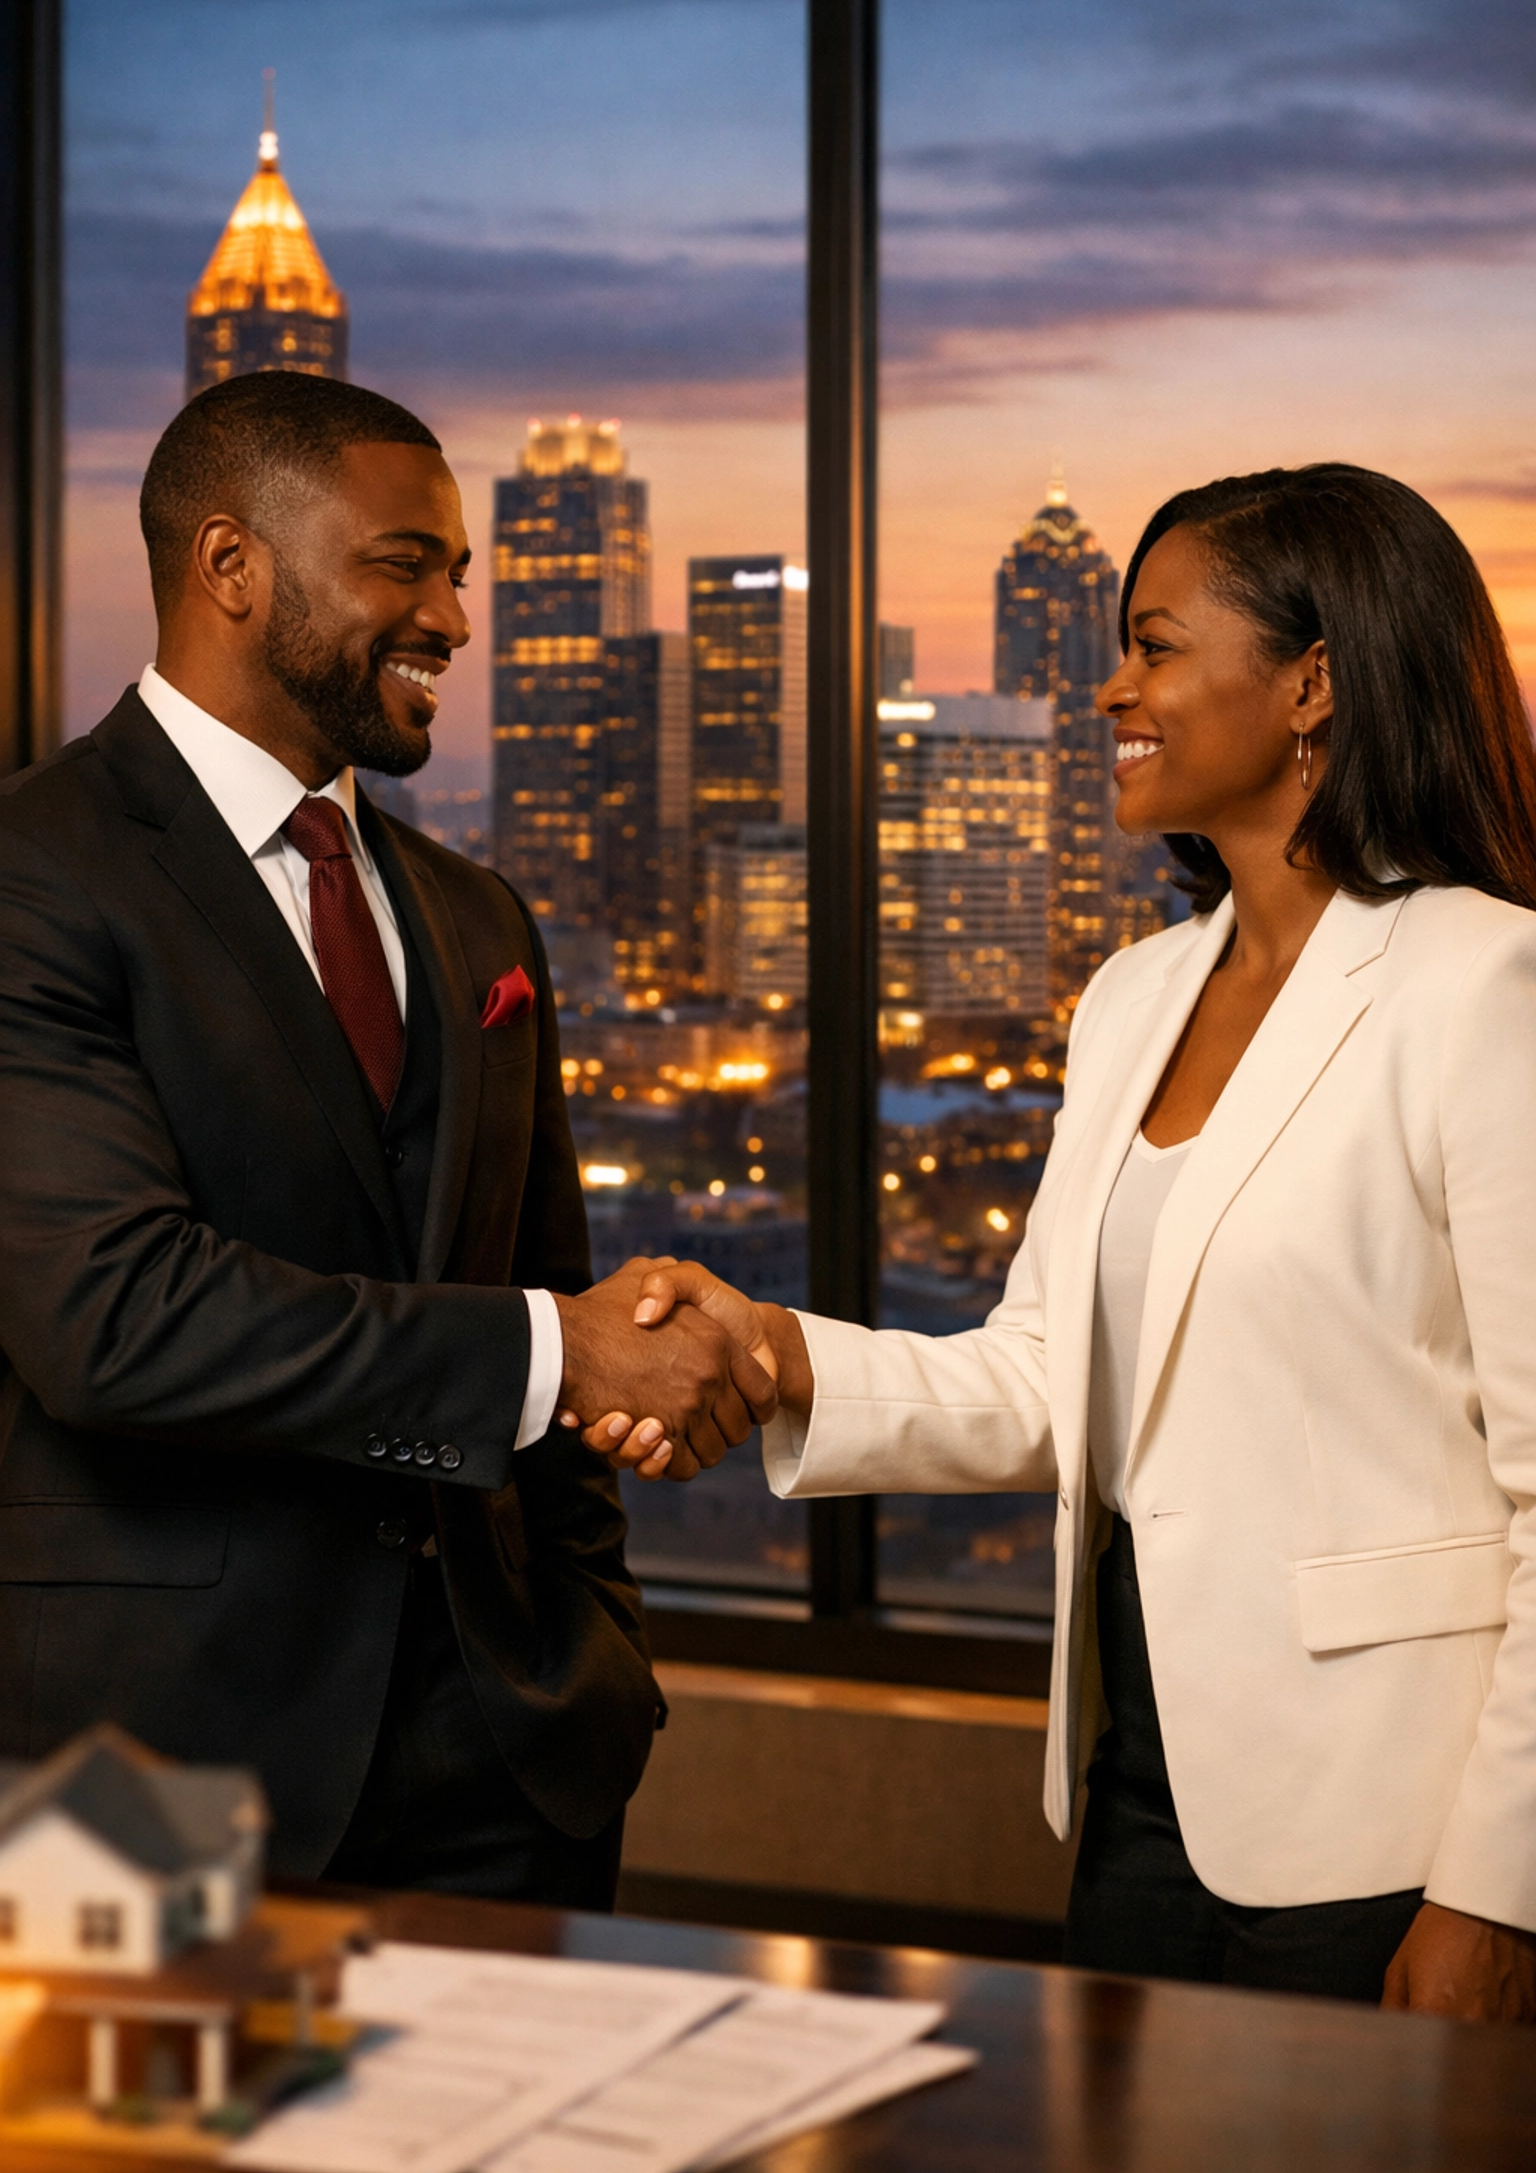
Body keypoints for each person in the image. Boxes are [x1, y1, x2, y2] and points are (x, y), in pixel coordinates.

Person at [587, 465, 1536, 2017]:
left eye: (1155, 647)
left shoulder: (1483, 986)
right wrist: (762, 1351)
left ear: (1313, 683)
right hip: (1137, 1795)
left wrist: (1500, 1889)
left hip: (1395, 1824)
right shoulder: (1132, 999)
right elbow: (1041, 1379)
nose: (1112, 692)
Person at [0, 371, 773, 1907]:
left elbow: (543, 1272)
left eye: (462, 573)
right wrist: (556, 1357)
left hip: (510, 1757)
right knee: (159, 2156)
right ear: (233, 568)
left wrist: (589, 1645)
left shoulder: (477, 914)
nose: (456, 620)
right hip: (145, 1774)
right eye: (404, 565)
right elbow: (114, 1320)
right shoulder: (35, 875)